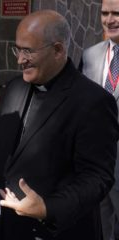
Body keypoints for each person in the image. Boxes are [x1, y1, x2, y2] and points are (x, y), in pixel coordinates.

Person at [0, 10, 119, 240]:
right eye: (18, 49)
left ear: (58, 50)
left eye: (28, 51)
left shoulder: (93, 101)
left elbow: (97, 177)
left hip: (58, 231)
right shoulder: (15, 87)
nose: (19, 59)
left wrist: (48, 208)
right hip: (5, 227)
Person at [80, 0, 119, 239]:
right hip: (97, 162)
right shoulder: (90, 55)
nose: (109, 19)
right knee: (101, 225)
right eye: (105, 13)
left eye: (116, 13)